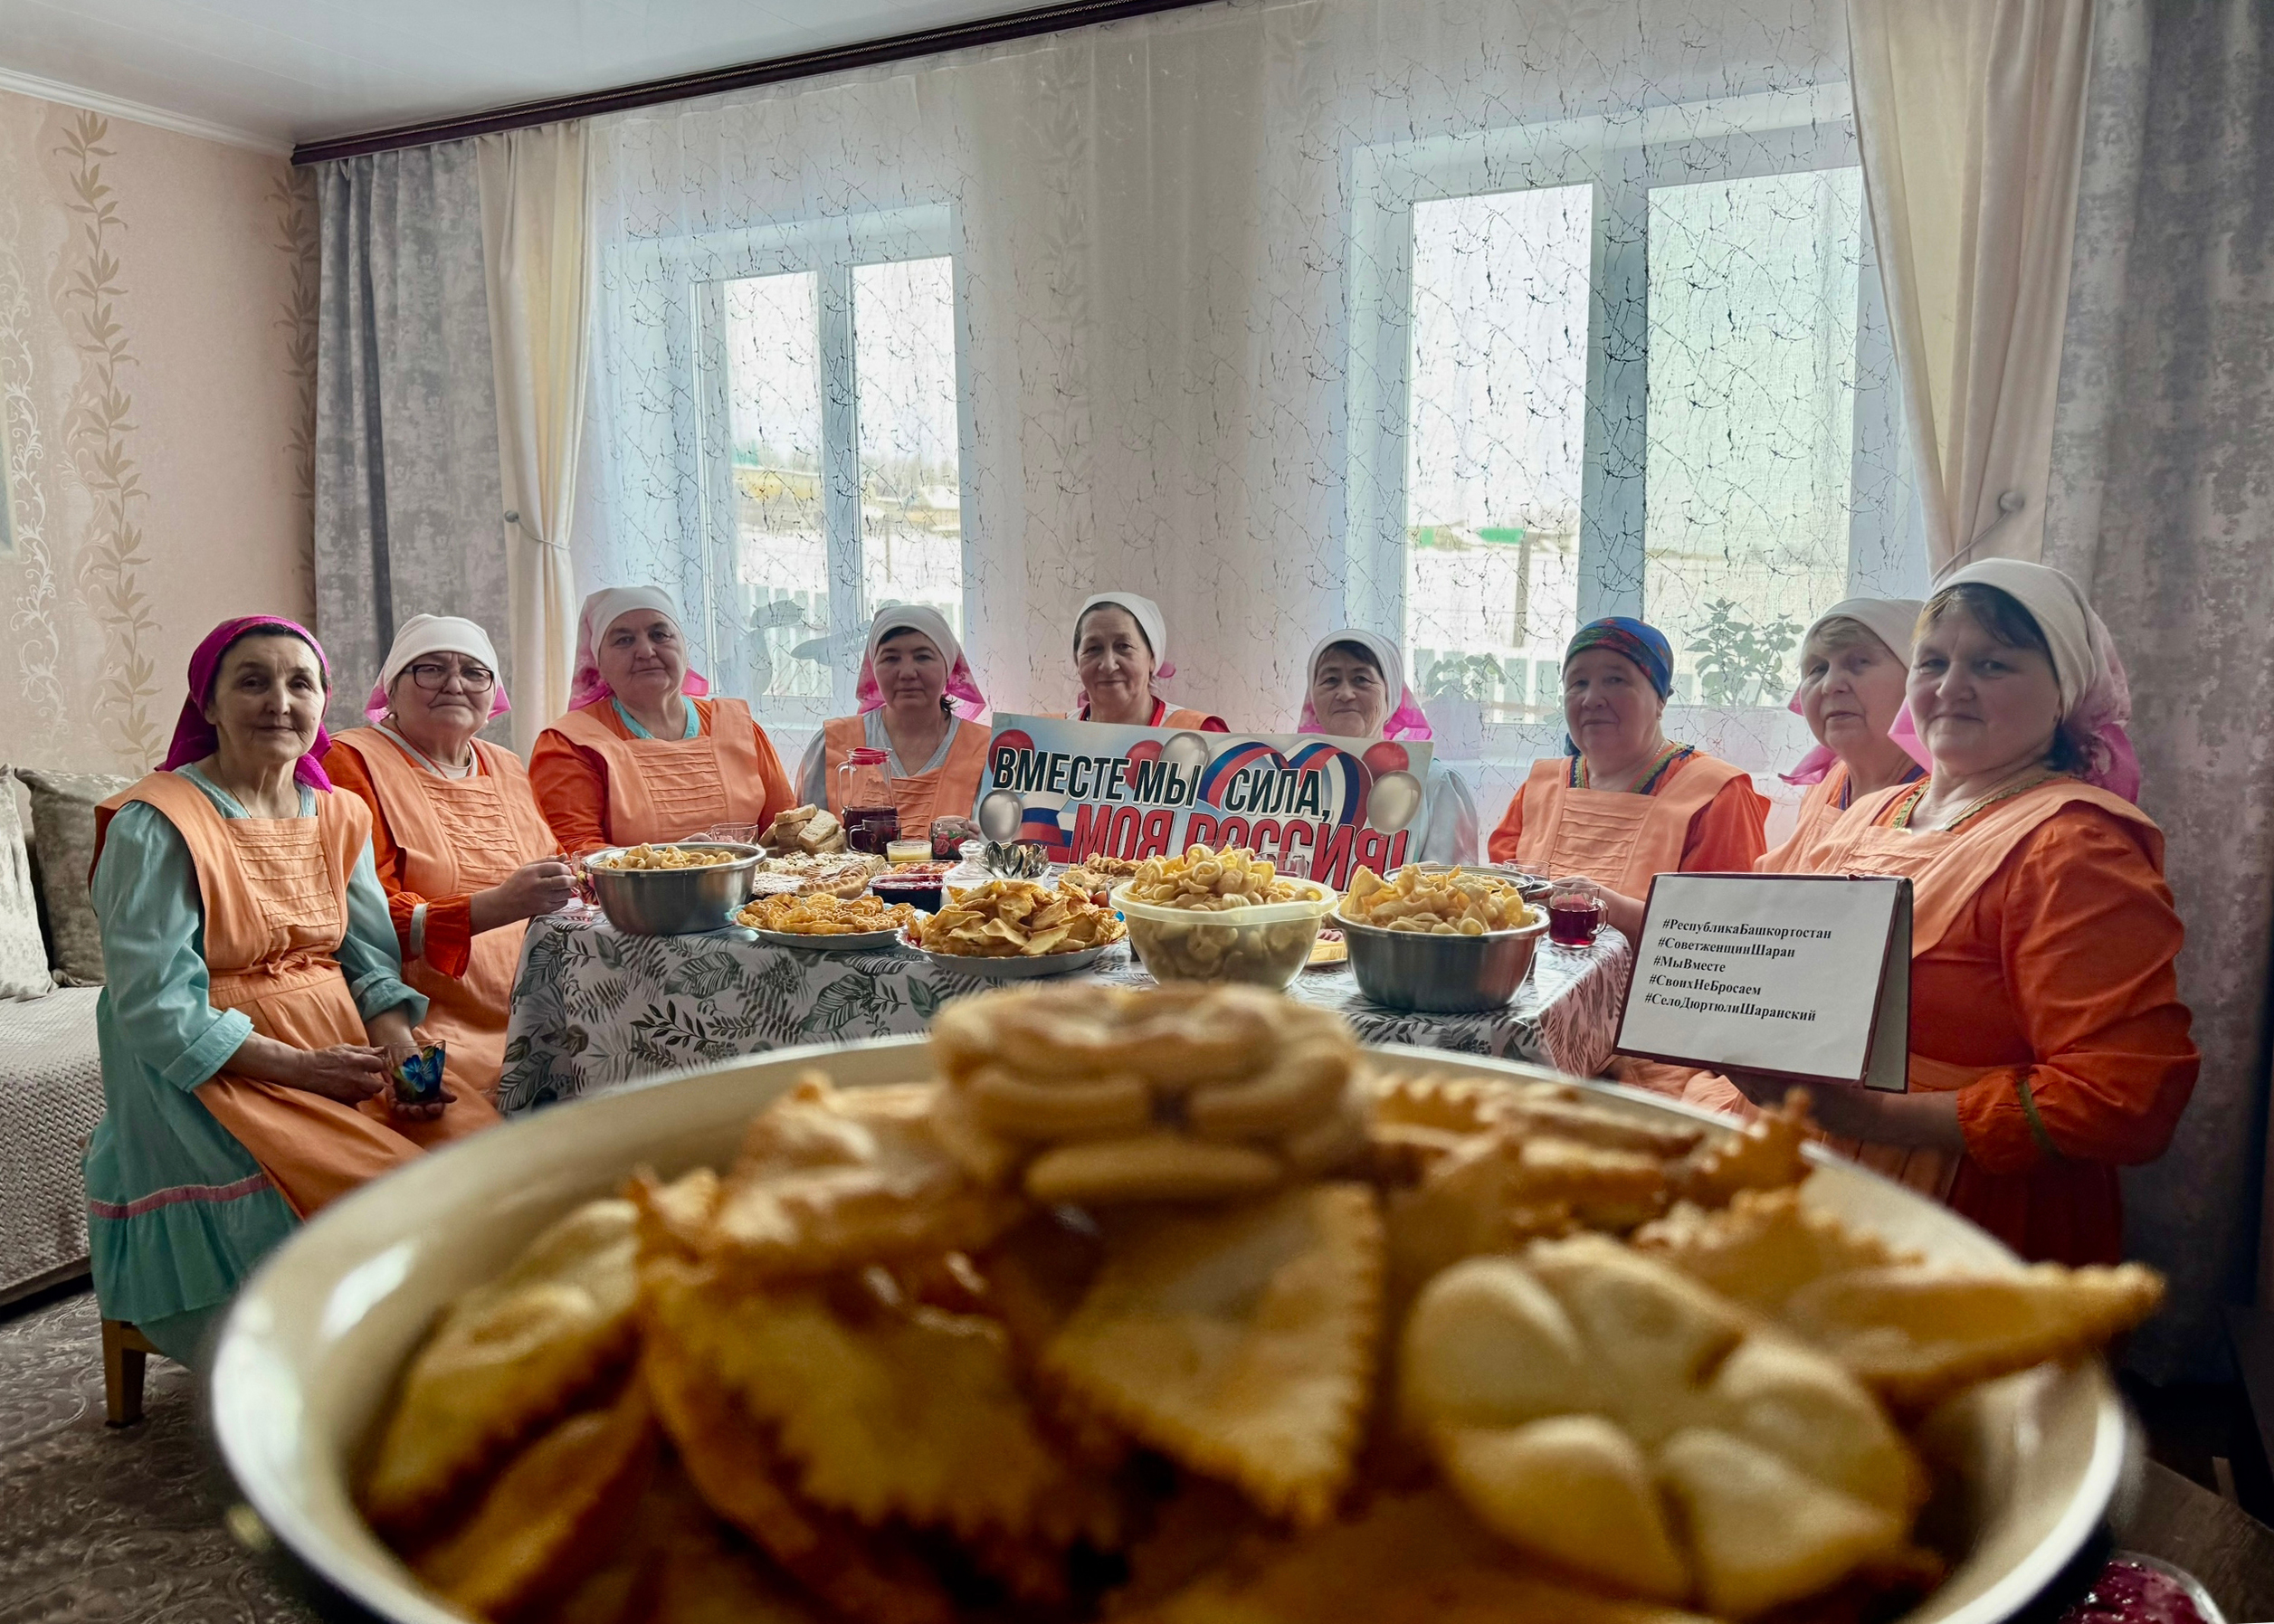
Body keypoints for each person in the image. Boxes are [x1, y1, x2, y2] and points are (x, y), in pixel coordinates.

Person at [1711, 559, 2195, 1265]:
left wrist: (1875, 1115)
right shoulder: (1874, 809)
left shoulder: (2073, 846)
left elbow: (2123, 1099)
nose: (1950, 687)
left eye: (1992, 665)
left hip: (1958, 1213)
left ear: (2063, 691)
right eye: (1931, 661)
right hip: (1808, 1171)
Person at [84, 618, 501, 1365]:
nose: (279, 701)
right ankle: (349, 1385)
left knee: (487, 1165)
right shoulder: (156, 822)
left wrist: (403, 1055)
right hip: (213, 1071)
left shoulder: (339, 812)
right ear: (207, 704)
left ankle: (468, 1370)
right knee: (380, 1202)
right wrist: (304, 1072)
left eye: (299, 683)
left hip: (337, 1044)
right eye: (252, 681)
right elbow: (154, 1007)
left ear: (322, 703)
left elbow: (370, 961)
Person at [325, 615, 576, 1104]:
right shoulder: (350, 760)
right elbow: (356, 925)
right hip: (423, 1022)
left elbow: (554, 867)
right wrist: (497, 905)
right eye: (430, 668)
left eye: (474, 672)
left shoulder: (504, 763)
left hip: (541, 1010)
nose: (454, 684)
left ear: (493, 693)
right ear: (391, 690)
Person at [1486, 616, 1769, 937]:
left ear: (1660, 700)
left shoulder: (1715, 793)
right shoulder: (1541, 786)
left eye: (1616, 680)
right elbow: (1505, 904)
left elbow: (1724, 933)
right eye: (1578, 683)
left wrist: (1608, 906)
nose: (1592, 699)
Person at [530, 586, 794, 858]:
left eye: (659, 635)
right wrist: (670, 864)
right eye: (623, 640)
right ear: (599, 662)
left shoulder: (739, 725)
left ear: (684, 649)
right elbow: (576, 854)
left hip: (756, 898)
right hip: (626, 901)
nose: (645, 651)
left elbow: (786, 833)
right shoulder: (571, 742)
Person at [795, 605, 993, 840]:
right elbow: (802, 848)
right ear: (873, 668)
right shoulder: (832, 744)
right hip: (851, 878)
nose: (907, 672)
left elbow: (1013, 851)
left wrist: (980, 847)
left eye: (923, 656)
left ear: (948, 666)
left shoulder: (989, 749)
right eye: (891, 658)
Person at [1762, 598, 1930, 872]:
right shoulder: (1828, 784)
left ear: (1917, 681)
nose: (1830, 685)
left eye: (1859, 662)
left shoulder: (1945, 800)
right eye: (1817, 669)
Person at [1299, 630, 1478, 865]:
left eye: (1361, 679)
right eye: (1330, 680)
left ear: (1390, 695)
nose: (1344, 693)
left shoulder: (1433, 783)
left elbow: (1453, 888)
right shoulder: (1290, 780)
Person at [1067, 593, 1227, 731]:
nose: (1108, 665)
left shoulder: (1200, 732)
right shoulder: (1050, 735)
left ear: (1152, 658)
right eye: (1093, 648)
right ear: (1077, 659)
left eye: (1124, 646)